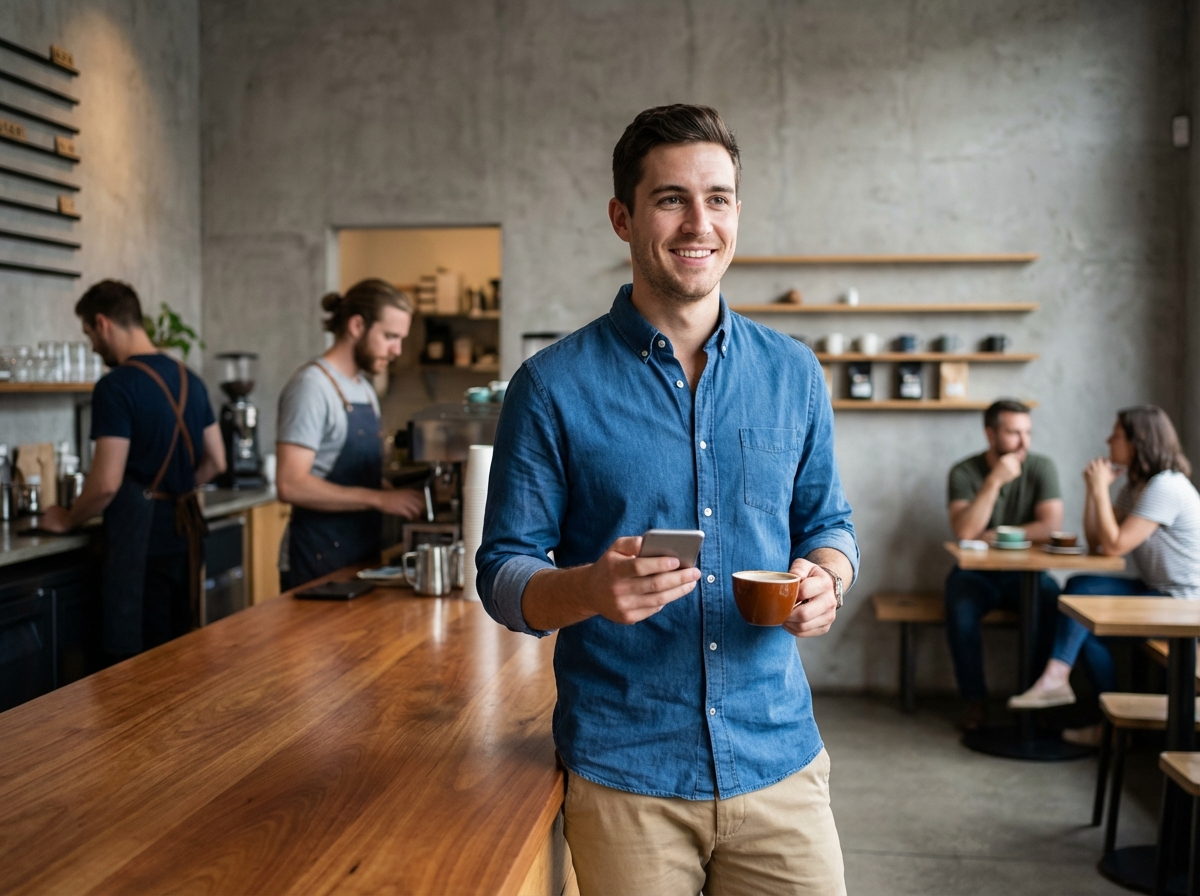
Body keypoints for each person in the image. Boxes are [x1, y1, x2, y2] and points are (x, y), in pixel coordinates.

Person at [477, 105, 858, 896]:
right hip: (628, 777)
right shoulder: (550, 387)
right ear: (623, 216)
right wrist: (587, 587)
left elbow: (830, 525)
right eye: (670, 198)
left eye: (718, 198)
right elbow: (504, 576)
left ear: (737, 214)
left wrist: (827, 578)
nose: (699, 223)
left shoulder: (792, 373)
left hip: (779, 762)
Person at [41, 280, 226, 658]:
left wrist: (67, 519)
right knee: (180, 653)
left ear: (103, 323)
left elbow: (106, 483)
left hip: (141, 544)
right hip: (184, 538)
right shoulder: (191, 378)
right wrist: (176, 489)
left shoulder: (116, 386)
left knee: (135, 664)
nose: (93, 345)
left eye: (89, 333)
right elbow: (216, 462)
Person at [1009, 406, 1200, 725]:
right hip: (1157, 591)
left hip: (1183, 603)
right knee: (1079, 592)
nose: (1108, 440)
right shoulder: (1137, 487)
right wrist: (1092, 491)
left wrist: (1100, 488)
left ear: (1139, 441)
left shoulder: (1165, 487)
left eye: (1117, 435)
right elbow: (1098, 543)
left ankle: (1088, 707)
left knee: (1083, 614)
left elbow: (1115, 545)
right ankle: (1068, 687)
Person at [275, 279, 425, 590]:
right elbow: (291, 484)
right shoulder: (312, 387)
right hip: (316, 558)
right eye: (390, 337)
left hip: (359, 556)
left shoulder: (364, 390)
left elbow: (362, 479)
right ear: (357, 325)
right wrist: (380, 499)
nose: (397, 350)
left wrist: (404, 498)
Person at [944, 399, 1064, 730]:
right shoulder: (965, 471)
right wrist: (994, 482)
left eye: (1027, 433)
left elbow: (1050, 526)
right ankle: (975, 701)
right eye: (1013, 433)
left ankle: (1035, 699)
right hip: (976, 573)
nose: (1024, 443)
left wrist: (995, 534)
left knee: (1052, 604)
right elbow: (966, 530)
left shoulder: (1041, 467)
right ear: (990, 434)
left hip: (1026, 574)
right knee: (959, 606)